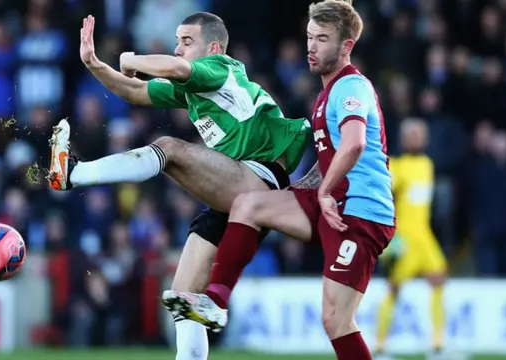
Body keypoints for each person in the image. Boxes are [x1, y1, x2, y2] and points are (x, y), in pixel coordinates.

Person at [47, 13, 310, 360]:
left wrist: (132, 59)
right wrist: (94, 64)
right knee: (184, 300)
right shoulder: (195, 91)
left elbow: (174, 69)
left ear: (212, 48)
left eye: (187, 42)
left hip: (258, 180)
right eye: (177, 41)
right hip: (231, 192)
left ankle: (73, 174)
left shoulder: (221, 68)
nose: (177, 49)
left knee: (169, 148)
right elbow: (137, 90)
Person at [162, 1, 395, 359]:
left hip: (362, 212)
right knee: (250, 203)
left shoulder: (351, 88)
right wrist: (303, 189)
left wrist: (326, 191)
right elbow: (328, 160)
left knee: (336, 320)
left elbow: (354, 144)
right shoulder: (325, 95)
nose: (311, 47)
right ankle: (215, 302)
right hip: (331, 201)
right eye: (309, 37)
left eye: (322, 39)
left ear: (346, 47)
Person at [374, 118, 448, 360]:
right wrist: (389, 239)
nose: (418, 138)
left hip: (424, 235)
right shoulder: (396, 166)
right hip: (404, 237)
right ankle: (380, 347)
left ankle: (437, 346)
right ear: (404, 138)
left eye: (421, 134)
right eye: (413, 134)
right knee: (394, 288)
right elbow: (385, 198)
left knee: (438, 279)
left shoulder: (427, 164)